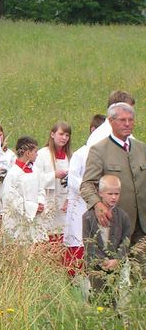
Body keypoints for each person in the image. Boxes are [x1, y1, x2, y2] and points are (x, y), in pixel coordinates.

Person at [81, 102, 146, 251]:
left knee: (141, 272)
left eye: (131, 120)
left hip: (141, 227)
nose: (127, 124)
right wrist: (98, 205)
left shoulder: (142, 148)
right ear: (110, 121)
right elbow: (87, 185)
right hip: (113, 224)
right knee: (110, 270)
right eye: (122, 120)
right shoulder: (99, 150)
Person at [64, 114, 107, 275]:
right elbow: (72, 179)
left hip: (101, 205)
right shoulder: (81, 154)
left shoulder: (106, 153)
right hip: (81, 204)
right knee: (78, 240)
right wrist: (91, 189)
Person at [83, 175, 131, 307]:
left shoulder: (123, 217)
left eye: (117, 194)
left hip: (116, 267)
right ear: (100, 193)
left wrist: (117, 260)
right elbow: (88, 243)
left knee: (115, 298)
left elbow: (126, 242)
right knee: (98, 299)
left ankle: (116, 324)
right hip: (95, 268)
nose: (114, 197)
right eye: (110, 193)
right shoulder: (88, 217)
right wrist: (101, 261)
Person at [1, 136, 47, 244]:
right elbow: (11, 199)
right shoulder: (13, 174)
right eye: (35, 151)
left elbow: (41, 189)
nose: (37, 154)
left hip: (34, 218)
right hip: (18, 220)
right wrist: (32, 208)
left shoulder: (36, 171)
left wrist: (40, 203)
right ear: (27, 153)